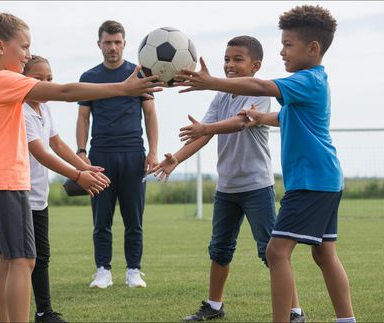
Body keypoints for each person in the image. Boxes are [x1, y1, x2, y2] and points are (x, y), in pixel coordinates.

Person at [0, 5, 162, 322]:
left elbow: (54, 140)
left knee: (6, 258)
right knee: (22, 260)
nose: (29, 55)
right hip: (3, 179)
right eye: (25, 46)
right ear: (0, 47)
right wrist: (123, 89)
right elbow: (67, 91)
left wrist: (80, 168)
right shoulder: (2, 80)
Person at [174, 5, 355, 323]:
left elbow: (260, 86)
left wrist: (211, 81)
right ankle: (346, 320)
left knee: (275, 251)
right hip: (325, 178)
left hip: (310, 182)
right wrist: (261, 117)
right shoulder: (313, 82)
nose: (282, 51)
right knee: (324, 253)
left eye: (288, 45)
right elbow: (285, 117)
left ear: (312, 48)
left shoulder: (305, 80)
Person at [150, 36, 304, 322]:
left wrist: (206, 127)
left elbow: (240, 123)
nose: (229, 64)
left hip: (257, 187)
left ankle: (294, 311)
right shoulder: (221, 96)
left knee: (271, 253)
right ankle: (214, 306)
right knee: (219, 249)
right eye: (227, 59)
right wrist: (176, 160)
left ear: (255, 66)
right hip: (226, 189)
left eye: (237, 59)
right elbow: (203, 134)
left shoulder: (259, 94)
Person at [0, 55, 111, 323]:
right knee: (10, 258)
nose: (46, 83)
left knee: (32, 258)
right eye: (39, 78)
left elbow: (57, 145)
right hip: (16, 191)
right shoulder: (20, 110)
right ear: (24, 79)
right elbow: (40, 154)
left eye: (49, 78)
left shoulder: (44, 109)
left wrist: (84, 166)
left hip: (37, 196)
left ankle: (43, 311)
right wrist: (77, 175)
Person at [76, 20, 159, 289]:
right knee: (101, 220)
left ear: (124, 43)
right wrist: (81, 152)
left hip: (134, 153)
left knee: (134, 219)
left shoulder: (139, 74)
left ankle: (134, 271)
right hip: (100, 155)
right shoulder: (89, 77)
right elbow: (83, 117)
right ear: (99, 44)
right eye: (108, 42)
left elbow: (150, 114)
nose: (113, 47)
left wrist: (153, 151)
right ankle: (103, 271)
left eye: (117, 42)